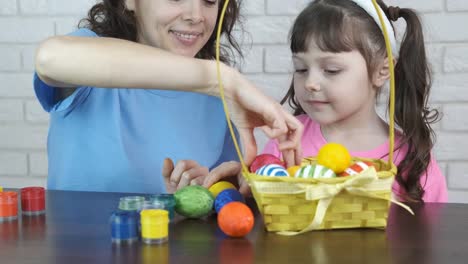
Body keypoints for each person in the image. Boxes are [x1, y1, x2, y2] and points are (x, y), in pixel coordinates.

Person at [34, 0, 303, 194]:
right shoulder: (89, 61)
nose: (196, 15)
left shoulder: (217, 97)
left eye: (209, 1)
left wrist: (206, 189)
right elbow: (49, 58)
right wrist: (221, 77)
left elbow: (219, 192)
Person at [261, 0, 447, 202]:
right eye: (301, 69)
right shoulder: (285, 142)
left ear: (382, 70)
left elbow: (433, 230)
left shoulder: (411, 162)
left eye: (332, 70)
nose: (310, 83)